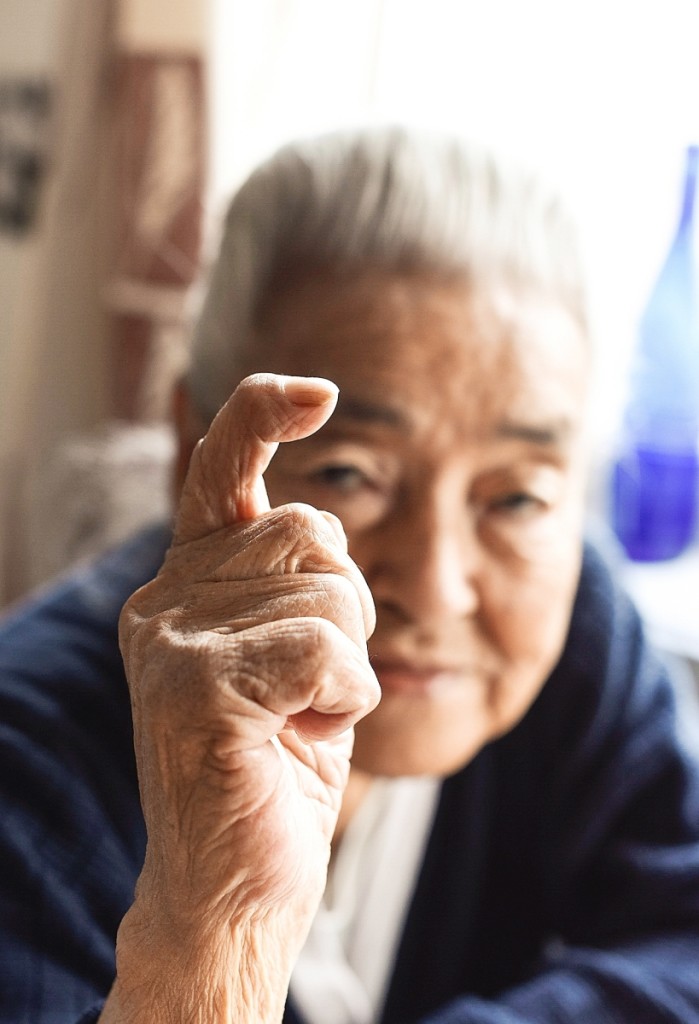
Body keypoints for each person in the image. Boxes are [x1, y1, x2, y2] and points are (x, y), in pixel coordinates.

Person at [2, 126, 699, 1024]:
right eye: (349, 476)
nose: (440, 585)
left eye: (517, 497)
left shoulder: (580, 631)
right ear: (197, 446)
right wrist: (214, 935)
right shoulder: (29, 759)